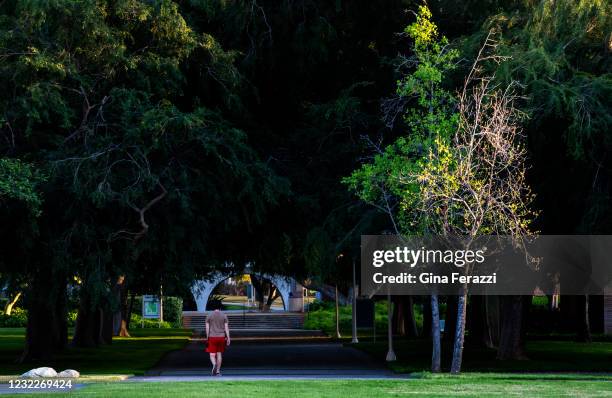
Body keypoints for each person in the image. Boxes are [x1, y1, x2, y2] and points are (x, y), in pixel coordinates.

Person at [205, 303, 230, 376]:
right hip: (221, 337)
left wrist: (207, 338)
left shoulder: (209, 315)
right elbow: (226, 328)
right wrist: (228, 337)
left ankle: (214, 364)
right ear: (220, 308)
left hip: (212, 337)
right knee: (219, 354)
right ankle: (218, 371)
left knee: (212, 355)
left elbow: (207, 328)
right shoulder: (224, 315)